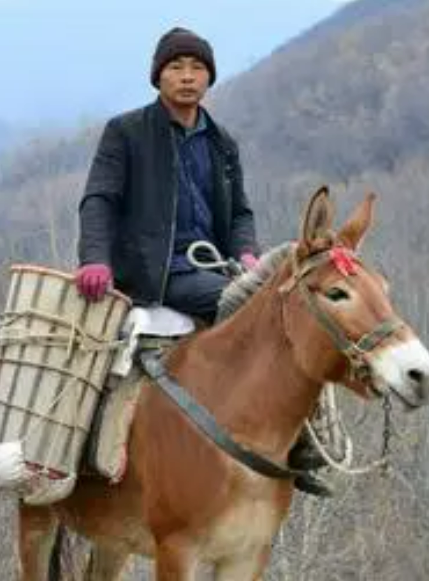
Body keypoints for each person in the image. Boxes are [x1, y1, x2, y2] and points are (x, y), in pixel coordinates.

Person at [72, 26, 333, 497]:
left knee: (304, 307)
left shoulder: (221, 142)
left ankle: (301, 431)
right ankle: (290, 441)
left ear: (209, 78)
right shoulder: (127, 132)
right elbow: (99, 201)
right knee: (269, 315)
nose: (187, 77)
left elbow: (239, 213)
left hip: (214, 267)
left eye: (197, 68)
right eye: (176, 67)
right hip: (157, 272)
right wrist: (96, 260)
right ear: (158, 77)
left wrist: (248, 255)